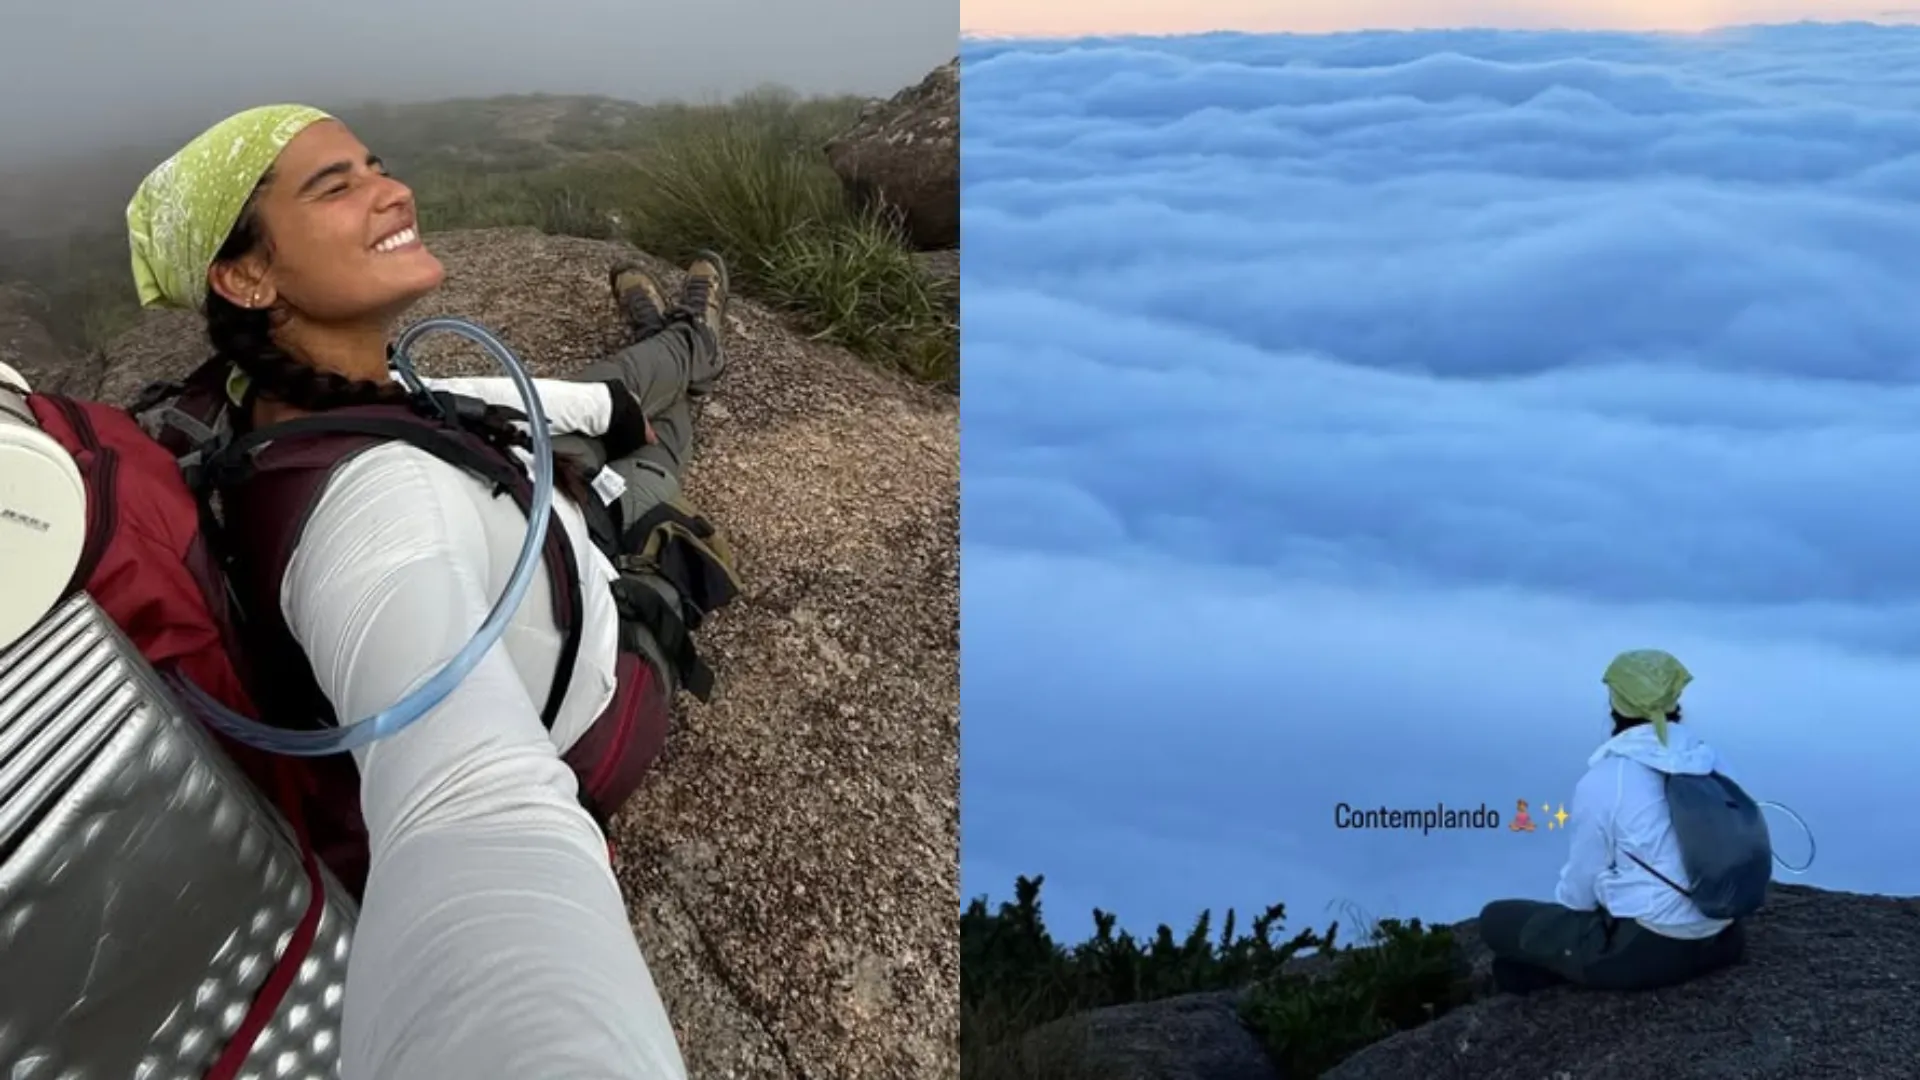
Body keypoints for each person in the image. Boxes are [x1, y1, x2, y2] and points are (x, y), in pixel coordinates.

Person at [126, 103, 742, 1078]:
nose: (393, 189)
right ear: (246, 275)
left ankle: (674, 337)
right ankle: (694, 330)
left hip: (514, 509)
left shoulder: (265, 403)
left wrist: (605, 407)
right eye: (335, 186)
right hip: (593, 636)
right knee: (662, 454)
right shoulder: (378, 512)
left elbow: (437, 406)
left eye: (373, 164)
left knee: (619, 396)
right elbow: (466, 808)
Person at [1479, 650, 1748, 995]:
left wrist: (1570, 925)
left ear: (1616, 703)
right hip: (1725, 938)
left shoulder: (1608, 778)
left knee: (1494, 921)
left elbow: (1580, 892)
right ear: (1675, 698)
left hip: (1651, 951)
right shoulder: (1711, 761)